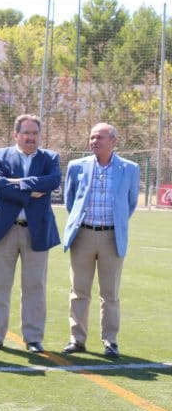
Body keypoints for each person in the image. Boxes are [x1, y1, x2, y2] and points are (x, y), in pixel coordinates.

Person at [0, 114, 61, 353]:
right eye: (26, 133)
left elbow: (53, 181)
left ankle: (33, 338)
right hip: (3, 231)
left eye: (35, 133)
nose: (30, 137)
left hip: (36, 232)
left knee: (35, 287)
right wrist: (30, 190)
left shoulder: (50, 158)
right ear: (16, 134)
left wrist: (17, 183)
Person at [61, 123, 140, 357]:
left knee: (110, 294)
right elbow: (70, 200)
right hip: (83, 235)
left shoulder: (130, 168)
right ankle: (77, 339)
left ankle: (110, 341)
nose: (94, 141)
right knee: (79, 291)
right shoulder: (77, 167)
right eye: (92, 137)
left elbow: (130, 203)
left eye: (100, 137)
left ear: (113, 141)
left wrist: (114, 224)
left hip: (112, 236)